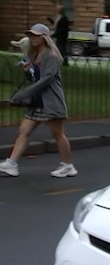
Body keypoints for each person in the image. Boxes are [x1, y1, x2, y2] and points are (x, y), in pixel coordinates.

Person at [0, 23, 77, 178]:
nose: (33, 38)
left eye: (36, 35)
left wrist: (25, 93)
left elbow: (46, 79)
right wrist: (28, 71)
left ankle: (68, 166)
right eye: (31, 35)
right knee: (24, 131)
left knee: (58, 133)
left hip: (51, 101)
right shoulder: (34, 55)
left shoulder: (51, 56)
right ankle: (11, 164)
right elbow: (36, 77)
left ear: (44, 37)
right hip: (37, 101)